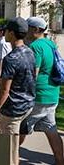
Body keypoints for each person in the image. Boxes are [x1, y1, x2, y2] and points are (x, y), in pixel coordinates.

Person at [0, 17, 36, 165]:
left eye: (6, 31)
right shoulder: (30, 52)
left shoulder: (11, 58)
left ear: (11, 33)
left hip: (13, 110)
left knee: (8, 151)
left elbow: (4, 90)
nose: (4, 34)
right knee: (14, 148)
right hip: (28, 105)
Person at [19, 17, 64, 165]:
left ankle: (5, 157)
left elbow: (33, 74)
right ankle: (60, 161)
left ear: (36, 30)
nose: (25, 31)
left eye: (28, 27)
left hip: (38, 97)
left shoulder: (36, 46)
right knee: (51, 131)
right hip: (52, 95)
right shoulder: (50, 44)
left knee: (19, 128)